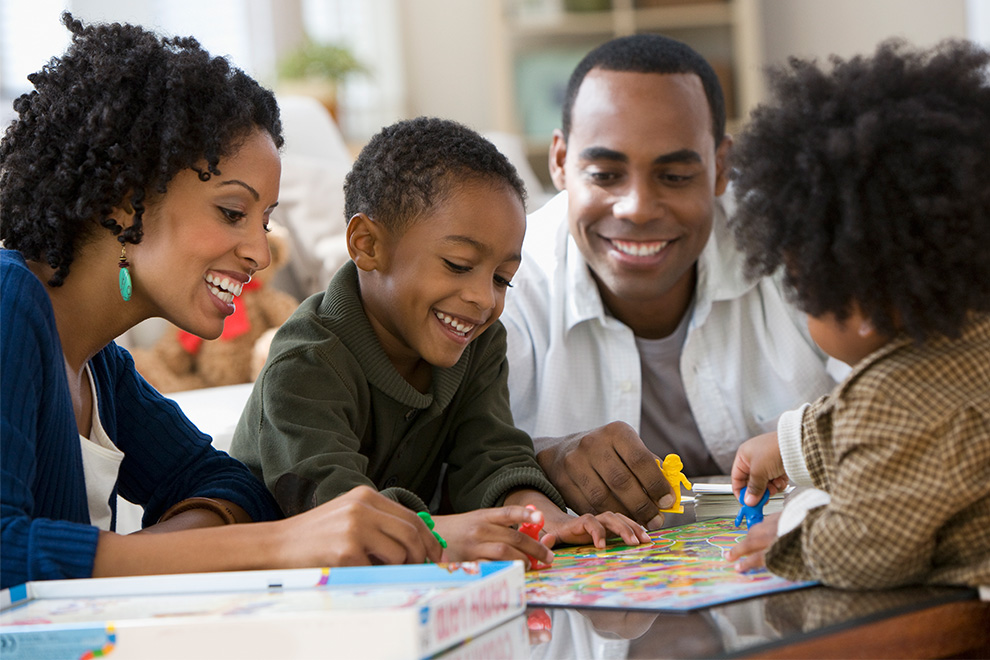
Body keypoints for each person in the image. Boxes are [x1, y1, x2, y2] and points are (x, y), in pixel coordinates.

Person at [0, 14, 442, 591]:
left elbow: (231, 485)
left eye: (265, 221)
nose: (259, 251)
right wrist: (280, 544)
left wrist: (159, 555)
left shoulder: (98, 364)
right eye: (232, 212)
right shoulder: (11, 305)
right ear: (124, 200)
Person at [230, 117, 650, 567]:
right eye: (457, 264)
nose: (483, 299)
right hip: (282, 596)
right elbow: (333, 508)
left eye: (502, 278)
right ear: (367, 244)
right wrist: (443, 534)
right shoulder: (306, 362)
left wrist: (542, 518)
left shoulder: (478, 344)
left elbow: (491, 455)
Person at [501, 34, 837, 528]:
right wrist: (542, 460)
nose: (636, 208)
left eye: (675, 176)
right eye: (604, 173)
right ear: (559, 161)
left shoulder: (797, 246)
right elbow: (448, 463)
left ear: (721, 167)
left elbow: (906, 399)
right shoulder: (506, 282)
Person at [726, 39, 990, 589]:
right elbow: (887, 433)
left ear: (864, 306)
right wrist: (792, 444)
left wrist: (794, 529)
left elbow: (864, 554)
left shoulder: (892, 399)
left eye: (802, 286)